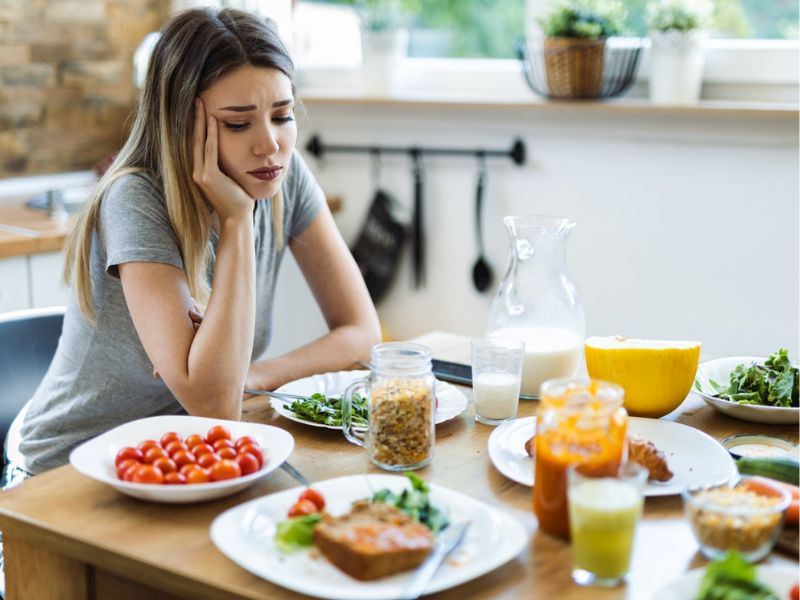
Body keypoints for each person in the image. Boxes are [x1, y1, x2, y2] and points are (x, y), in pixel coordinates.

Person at [4, 7, 380, 484]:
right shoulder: (136, 199)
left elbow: (362, 331)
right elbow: (214, 405)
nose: (271, 145)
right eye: (238, 124)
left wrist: (255, 375)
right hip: (64, 476)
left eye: (282, 115)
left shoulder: (285, 175)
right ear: (183, 123)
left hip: (180, 458)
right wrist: (239, 221)